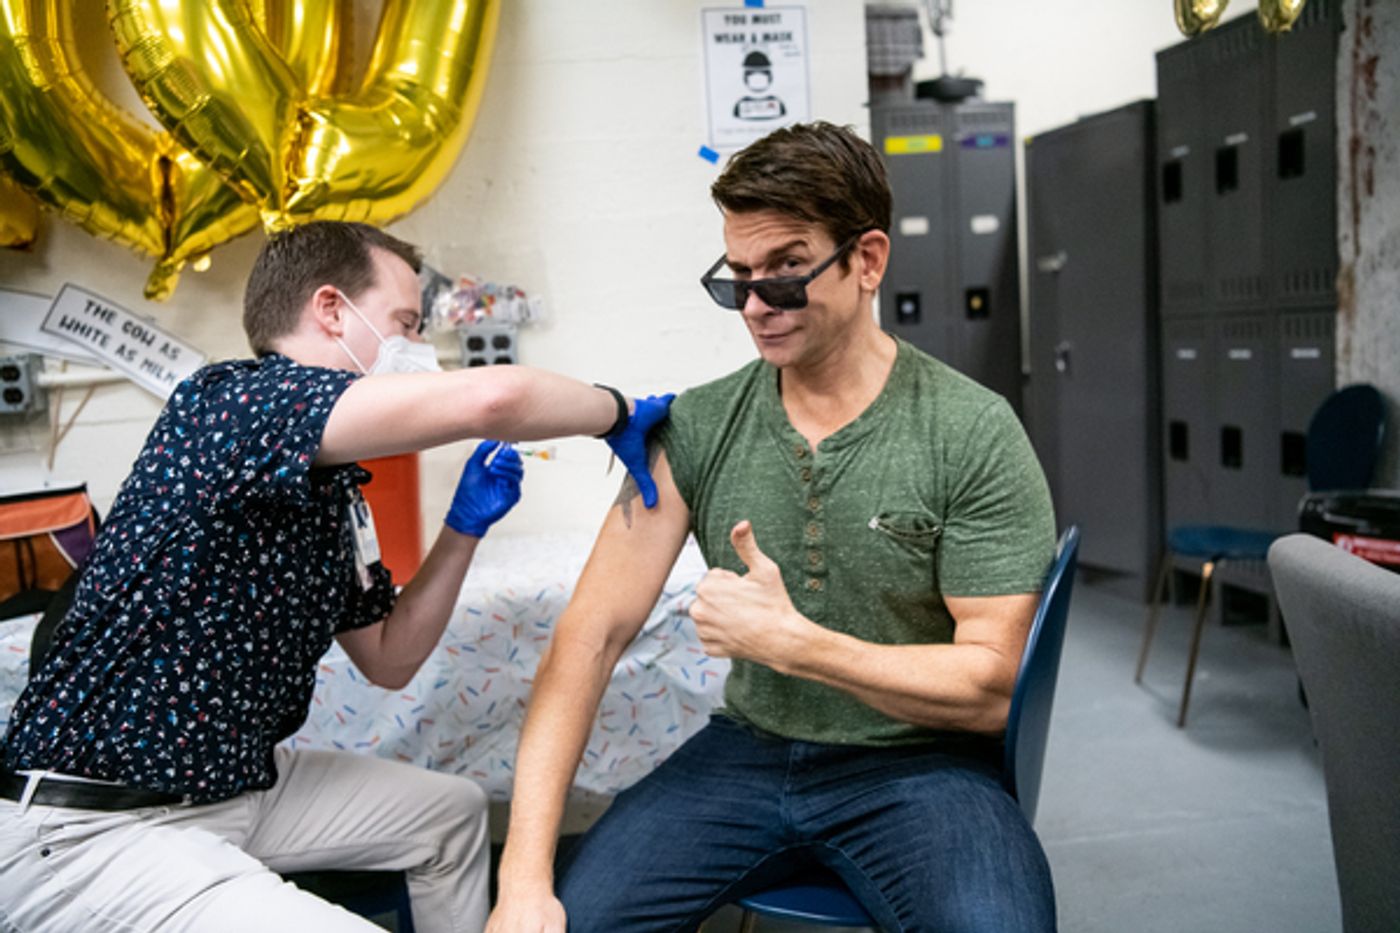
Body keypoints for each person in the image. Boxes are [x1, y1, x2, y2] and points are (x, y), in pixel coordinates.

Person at [0, 221, 672, 933]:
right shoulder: (231, 404)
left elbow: (390, 657)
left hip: (230, 786)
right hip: (94, 827)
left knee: (452, 814)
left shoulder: (330, 487)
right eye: (405, 325)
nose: (416, 349)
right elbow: (493, 401)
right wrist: (617, 412)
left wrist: (463, 528)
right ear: (330, 310)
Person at [487, 121, 1058, 933]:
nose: (756, 306)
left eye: (787, 272)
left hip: (921, 763)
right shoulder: (700, 426)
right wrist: (521, 874)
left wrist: (798, 646)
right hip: (748, 752)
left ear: (867, 260)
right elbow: (587, 636)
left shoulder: (970, 430)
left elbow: (993, 688)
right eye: (737, 278)